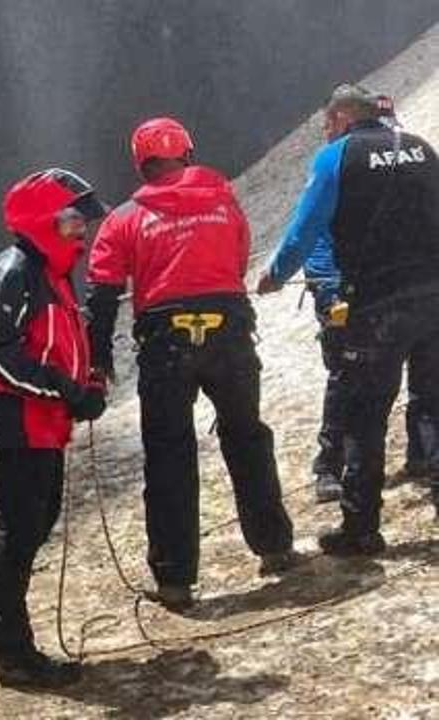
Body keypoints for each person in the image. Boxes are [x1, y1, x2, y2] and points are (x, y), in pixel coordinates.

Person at [85, 117, 297, 611]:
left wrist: (98, 360)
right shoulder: (223, 200)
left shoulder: (124, 219)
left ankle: (175, 578)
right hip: (229, 331)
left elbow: (101, 293)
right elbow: (238, 260)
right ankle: (275, 546)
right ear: (188, 152)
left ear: (141, 164)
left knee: (168, 454)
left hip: (165, 342)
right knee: (246, 436)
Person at [258, 84, 439, 550]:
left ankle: (361, 528)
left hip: (376, 306)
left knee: (365, 414)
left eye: (326, 124)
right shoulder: (420, 148)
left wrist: (275, 274)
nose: (325, 132)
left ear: (341, 117)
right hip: (433, 295)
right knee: (434, 399)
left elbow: (305, 229)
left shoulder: (336, 158)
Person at [0, 168, 108, 689]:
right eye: (72, 220)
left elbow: (61, 343)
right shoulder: (13, 272)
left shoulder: (51, 273)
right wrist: (68, 391)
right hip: (16, 420)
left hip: (43, 420)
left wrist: (86, 384)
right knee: (19, 533)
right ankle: (16, 657)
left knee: (33, 527)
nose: (81, 230)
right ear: (44, 222)